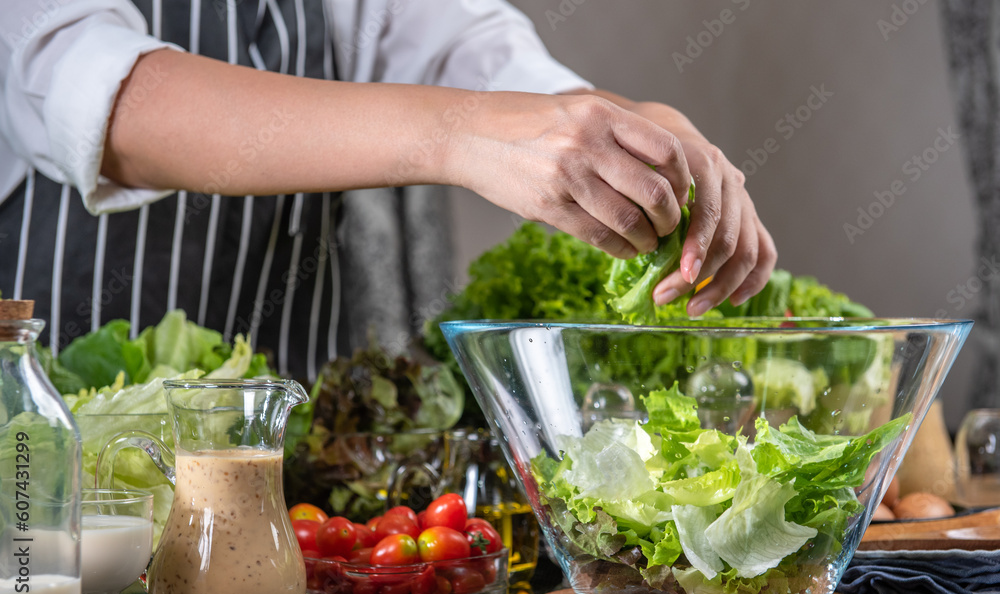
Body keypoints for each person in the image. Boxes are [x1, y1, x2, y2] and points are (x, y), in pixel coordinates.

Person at [0, 0, 775, 380]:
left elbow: (473, 50)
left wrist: (639, 132)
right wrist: (461, 135)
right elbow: (109, 104)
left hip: (284, 483)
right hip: (49, 489)